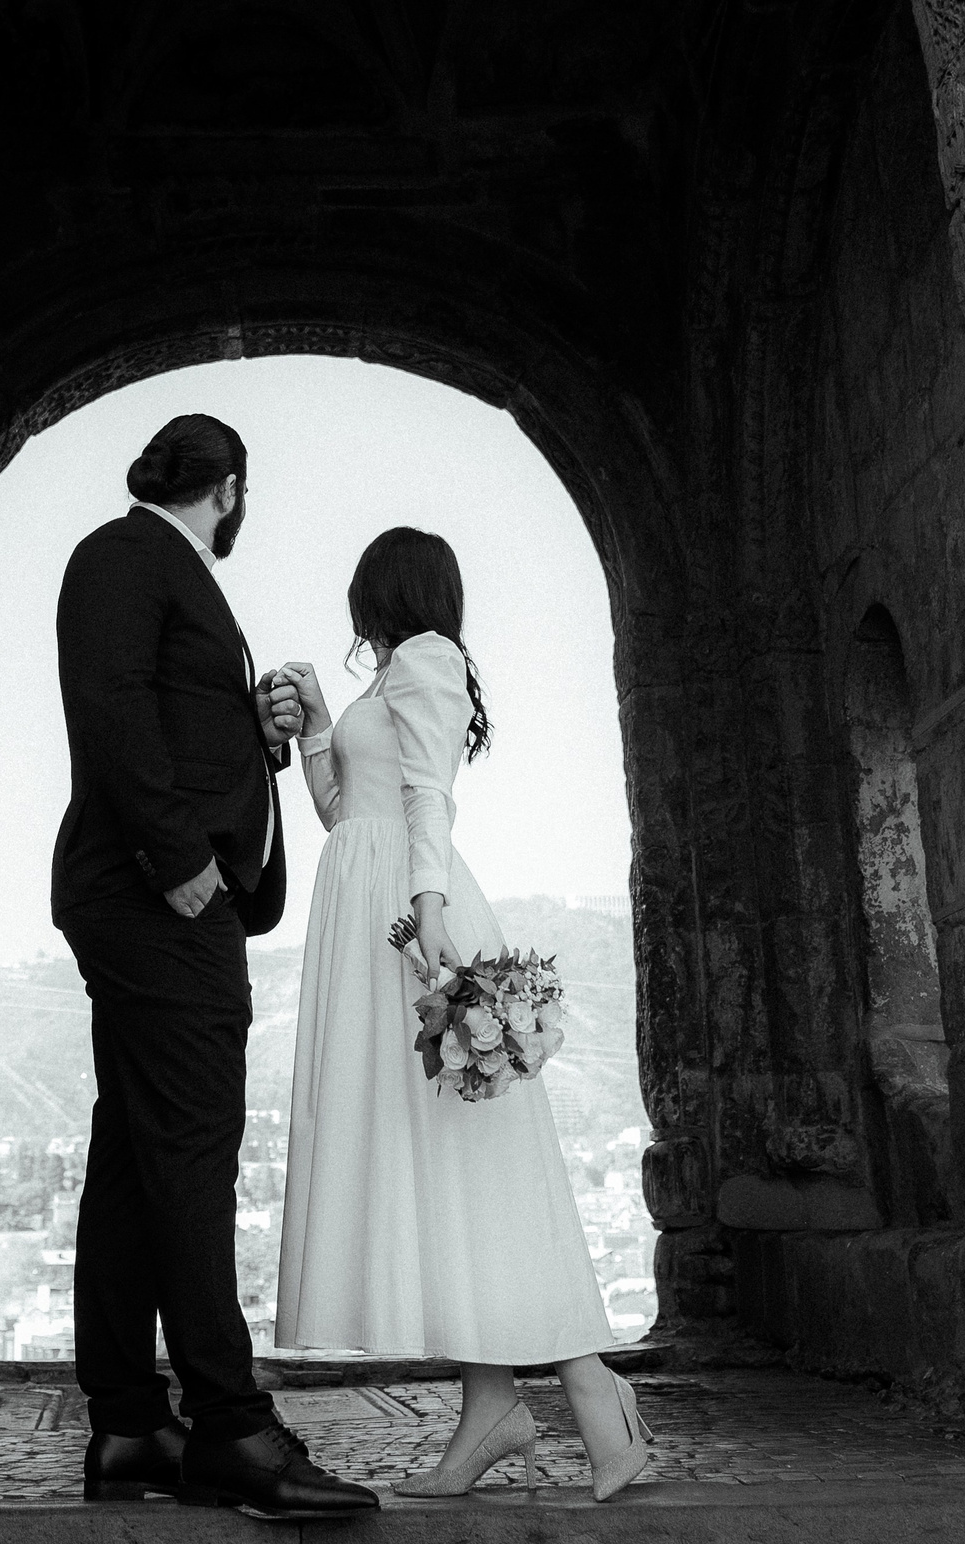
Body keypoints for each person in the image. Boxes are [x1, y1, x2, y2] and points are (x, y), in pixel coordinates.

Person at [274, 527, 654, 1500]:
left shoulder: (429, 659)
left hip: (410, 917)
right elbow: (345, 812)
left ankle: (591, 1392)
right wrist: (317, 727)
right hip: (373, 912)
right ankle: (491, 1406)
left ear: (386, 590)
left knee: (478, 1171)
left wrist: (429, 915)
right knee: (441, 1170)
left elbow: (429, 800)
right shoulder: (386, 679)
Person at [52, 412, 379, 1519]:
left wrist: (256, 734)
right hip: (157, 900)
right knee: (193, 1156)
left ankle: (130, 1427)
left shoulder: (162, 568)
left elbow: (167, 722)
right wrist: (182, 863)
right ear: (229, 487)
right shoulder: (123, 554)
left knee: (136, 1159)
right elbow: (111, 710)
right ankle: (233, 1430)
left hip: (157, 897)